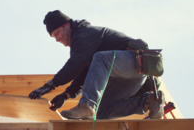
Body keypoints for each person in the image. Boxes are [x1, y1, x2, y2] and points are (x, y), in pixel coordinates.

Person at [28, 10, 164, 120]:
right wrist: (66, 95)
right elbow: (84, 73)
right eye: (54, 37)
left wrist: (50, 85)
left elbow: (75, 63)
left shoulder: (84, 34)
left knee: (100, 58)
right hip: (126, 78)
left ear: (67, 25)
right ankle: (148, 101)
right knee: (100, 111)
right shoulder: (82, 47)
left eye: (57, 33)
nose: (57, 39)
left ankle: (87, 105)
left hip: (134, 64)